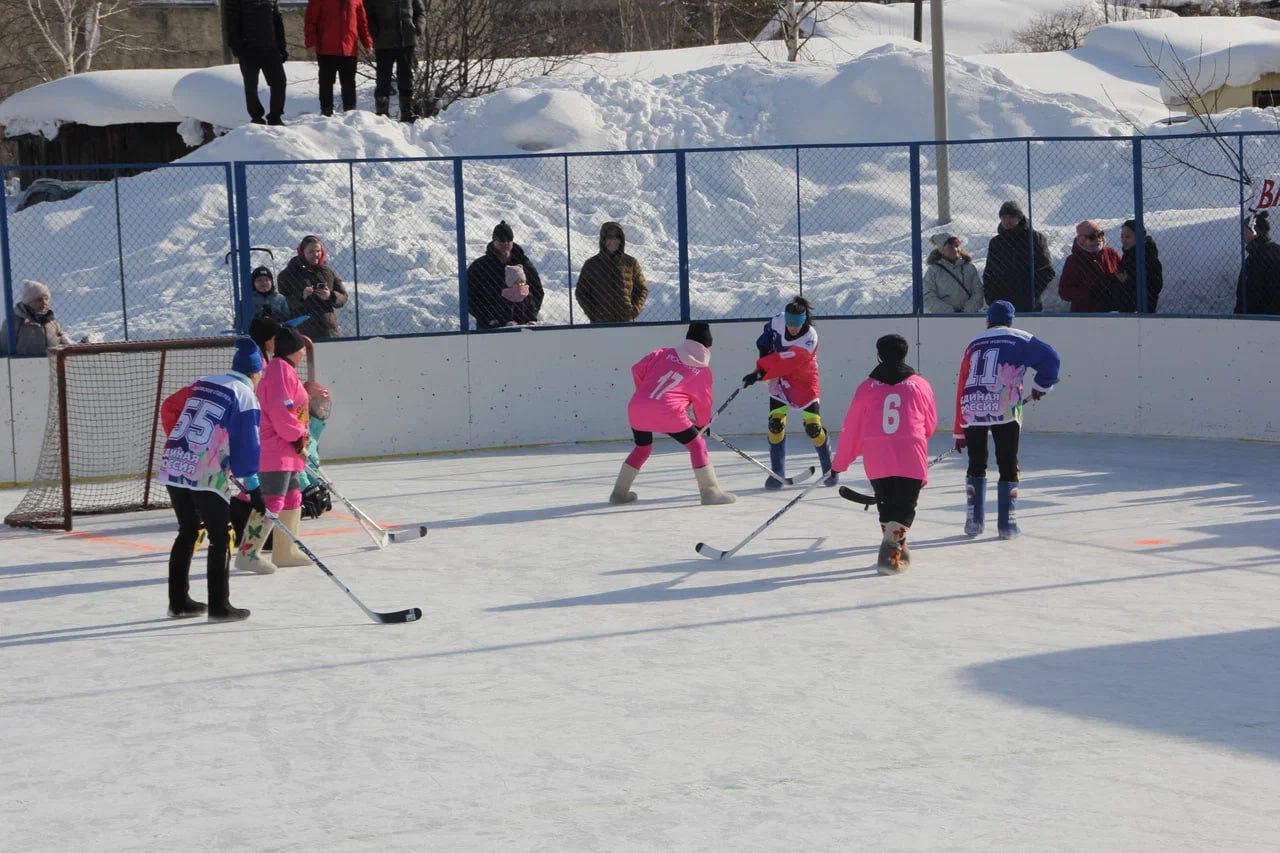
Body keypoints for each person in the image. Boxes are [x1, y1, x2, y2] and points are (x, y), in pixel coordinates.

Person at [157, 337, 267, 622]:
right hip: (204, 471)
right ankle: (220, 606)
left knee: (188, 530)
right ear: (255, 372)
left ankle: (178, 602)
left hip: (175, 459)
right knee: (221, 536)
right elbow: (247, 444)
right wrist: (254, 488)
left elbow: (172, 407)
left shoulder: (203, 381)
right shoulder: (245, 394)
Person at [953, 300, 1061, 540]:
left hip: (972, 406)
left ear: (987, 321)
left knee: (976, 461)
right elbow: (1052, 359)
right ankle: (1007, 524)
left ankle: (974, 521)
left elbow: (962, 383)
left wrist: (959, 430)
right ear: (1010, 320)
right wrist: (1041, 385)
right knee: (1007, 461)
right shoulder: (1020, 338)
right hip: (1005, 405)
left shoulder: (974, 342)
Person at [830, 334, 937, 575]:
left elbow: (852, 429)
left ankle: (897, 547)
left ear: (878, 355)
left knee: (886, 504)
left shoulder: (866, 388)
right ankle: (889, 555)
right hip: (910, 451)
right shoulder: (920, 385)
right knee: (906, 506)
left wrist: (840, 463)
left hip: (876, 454)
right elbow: (930, 424)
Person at [608, 322, 735, 506]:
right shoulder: (703, 372)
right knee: (697, 445)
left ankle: (619, 493)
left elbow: (636, 369)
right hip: (668, 412)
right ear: (708, 347)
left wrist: (645, 394)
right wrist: (701, 425)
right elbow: (703, 403)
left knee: (642, 448)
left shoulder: (663, 353)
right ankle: (710, 492)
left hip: (637, 406)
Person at [235, 326, 311, 573]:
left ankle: (285, 551)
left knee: (292, 498)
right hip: (275, 452)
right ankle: (249, 553)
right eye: (302, 350)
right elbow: (281, 411)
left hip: (286, 452)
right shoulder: (280, 371)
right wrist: (297, 437)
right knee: (271, 501)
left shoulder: (285, 370)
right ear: (295, 350)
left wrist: (299, 440)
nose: (303, 355)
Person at [741, 296, 837, 489]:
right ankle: (778, 474)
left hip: (804, 379)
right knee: (775, 425)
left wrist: (762, 371)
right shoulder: (777, 320)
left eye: (797, 325)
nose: (792, 328)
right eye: (790, 324)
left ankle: (830, 470)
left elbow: (789, 362)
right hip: (779, 377)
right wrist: (760, 368)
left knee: (813, 428)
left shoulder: (809, 339)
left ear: (804, 321)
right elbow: (764, 342)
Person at [466, 220, 544, 328]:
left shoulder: (523, 263)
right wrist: (488, 318)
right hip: (490, 326)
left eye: (508, 241)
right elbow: (470, 296)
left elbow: (537, 290)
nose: (505, 244)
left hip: (523, 325)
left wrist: (529, 315)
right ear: (494, 241)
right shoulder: (480, 266)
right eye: (501, 241)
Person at [224, 0, 289, 126]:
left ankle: (275, 117)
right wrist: (237, 47)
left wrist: (282, 47)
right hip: (248, 49)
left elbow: (277, 21)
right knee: (251, 84)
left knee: (279, 82)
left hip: (270, 48)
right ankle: (256, 117)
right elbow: (231, 23)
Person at [982, 200, 1054, 312]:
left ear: (1019, 217)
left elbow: (1046, 269)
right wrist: (991, 298)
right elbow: (989, 273)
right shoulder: (996, 242)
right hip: (1001, 302)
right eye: (1004, 217)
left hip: (1028, 302)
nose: (1007, 220)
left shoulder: (1034, 238)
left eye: (1011, 216)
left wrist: (1032, 292)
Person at [304, 0, 372, 117]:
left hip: (349, 48)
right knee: (326, 82)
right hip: (327, 48)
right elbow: (310, 21)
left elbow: (362, 22)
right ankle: (326, 111)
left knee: (349, 83)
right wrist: (310, 42)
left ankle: (350, 112)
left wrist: (367, 43)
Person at [277, 235, 349, 339]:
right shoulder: (287, 275)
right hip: (300, 332)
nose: (316, 255)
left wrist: (330, 296)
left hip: (327, 330)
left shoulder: (328, 272)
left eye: (318, 251)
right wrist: (302, 297)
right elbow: (281, 304)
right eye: (311, 251)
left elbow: (343, 297)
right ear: (302, 252)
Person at [576, 221, 648, 323]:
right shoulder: (591, 264)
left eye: (617, 237)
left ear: (621, 239)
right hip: (601, 322)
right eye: (609, 236)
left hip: (625, 321)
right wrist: (594, 314)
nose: (613, 240)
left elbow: (642, 289)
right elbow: (581, 292)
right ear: (603, 239)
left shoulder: (631, 263)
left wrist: (633, 311)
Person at [364, 0, 424, 122]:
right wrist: (375, 32)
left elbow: (420, 11)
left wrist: (418, 28)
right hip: (383, 41)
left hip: (406, 40)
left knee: (406, 77)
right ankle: (382, 114)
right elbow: (366, 14)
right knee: (383, 79)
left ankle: (407, 113)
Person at [1058, 220, 1123, 313]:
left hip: (1111, 310)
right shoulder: (1073, 261)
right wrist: (1090, 293)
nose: (1098, 239)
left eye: (1100, 234)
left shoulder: (1111, 254)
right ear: (1082, 239)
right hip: (1085, 313)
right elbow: (1064, 291)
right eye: (1092, 237)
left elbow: (1122, 275)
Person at [0, 279, 72, 355]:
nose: (45, 302)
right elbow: (4, 350)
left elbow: (64, 343)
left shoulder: (51, 321)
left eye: (46, 298)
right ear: (28, 301)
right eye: (39, 299)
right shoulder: (13, 322)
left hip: (53, 365)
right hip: (22, 365)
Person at [297, 380, 334, 519]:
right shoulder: (302, 426)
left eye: (326, 405)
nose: (324, 409)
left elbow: (310, 464)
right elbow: (296, 464)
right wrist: (306, 489)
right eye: (320, 404)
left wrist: (317, 486)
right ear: (310, 404)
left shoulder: (315, 427)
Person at [923, 233, 984, 314]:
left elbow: (978, 291)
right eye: (950, 247)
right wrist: (948, 312)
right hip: (943, 318)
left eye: (956, 245)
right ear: (942, 250)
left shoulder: (969, 268)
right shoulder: (933, 271)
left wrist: (969, 310)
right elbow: (927, 295)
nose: (955, 249)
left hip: (969, 316)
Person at [1236, 211, 1280, 315]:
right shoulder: (1277, 251)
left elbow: (1250, 294)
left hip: (1260, 319)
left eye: (1246, 230)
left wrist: (1240, 316)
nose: (1242, 234)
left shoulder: (1255, 259)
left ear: (1255, 232)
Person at [1116, 219, 1163, 313]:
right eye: (1122, 236)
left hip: (1142, 310)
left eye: (1128, 237)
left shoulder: (1148, 257)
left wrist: (1127, 281)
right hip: (1127, 310)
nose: (1124, 240)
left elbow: (1155, 285)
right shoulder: (1128, 255)